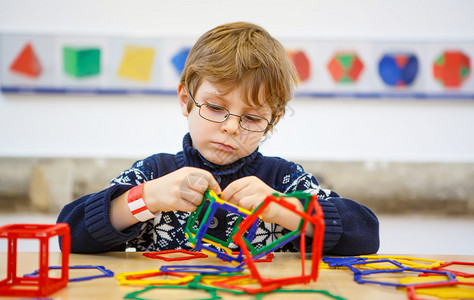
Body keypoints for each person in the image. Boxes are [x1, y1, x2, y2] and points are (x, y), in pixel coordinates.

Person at [57, 22, 379, 255]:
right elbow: (69, 233)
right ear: (186, 100)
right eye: (215, 107)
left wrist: (283, 208)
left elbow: (366, 233)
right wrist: (149, 197)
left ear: (271, 121)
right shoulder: (155, 174)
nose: (231, 128)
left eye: (252, 117)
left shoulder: (283, 180)